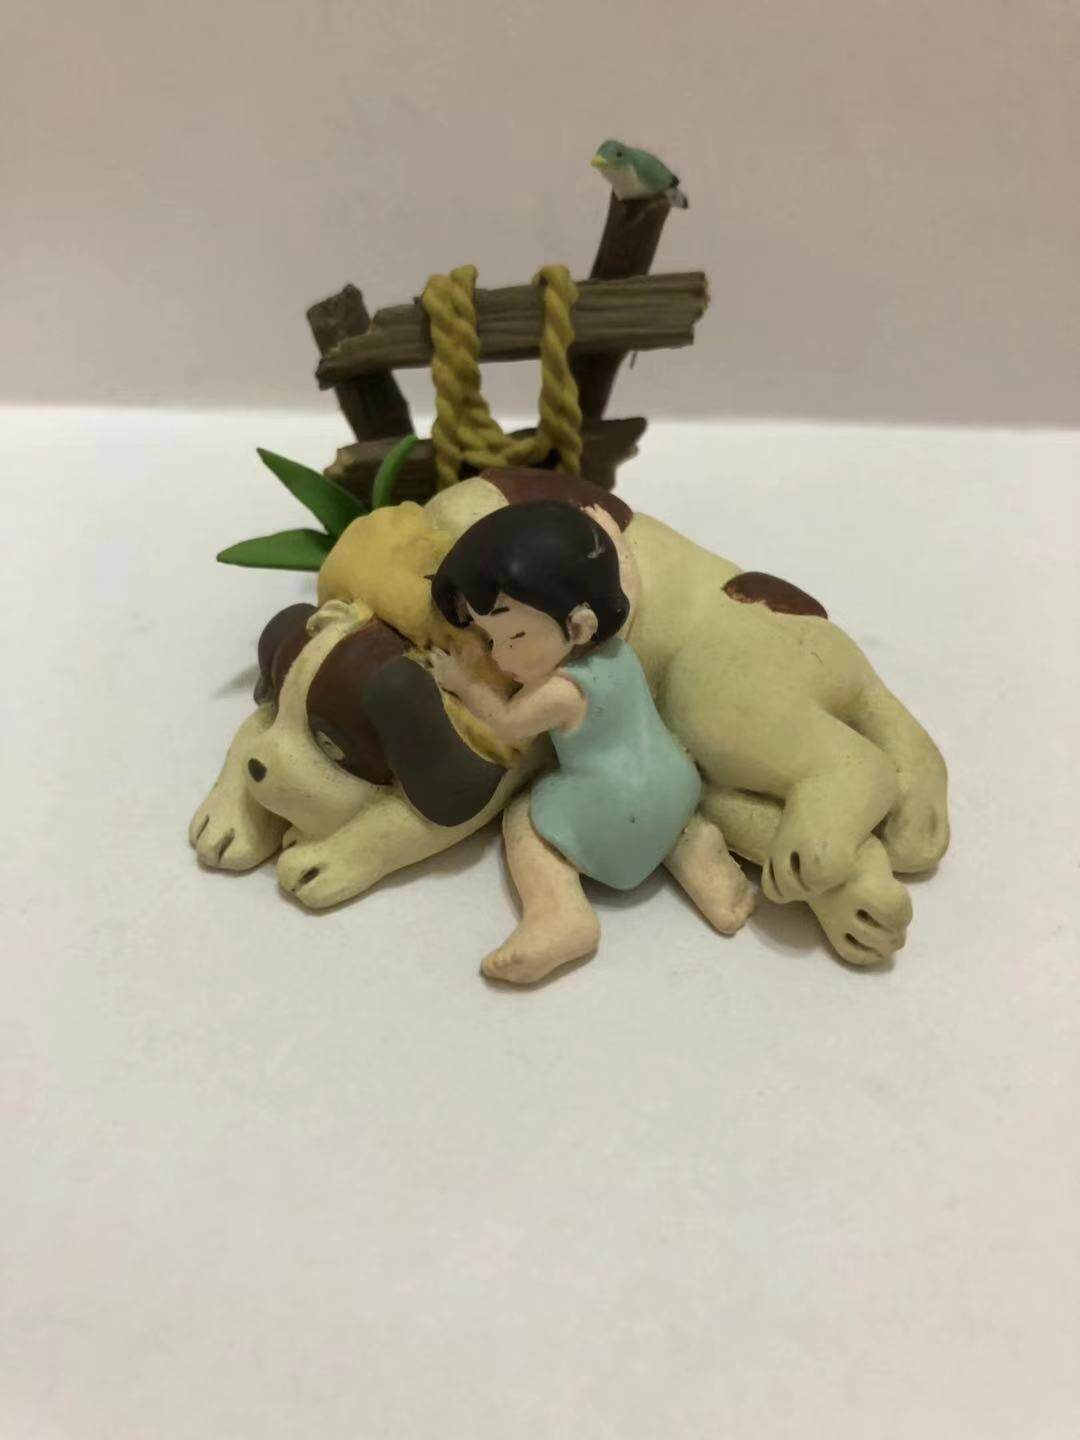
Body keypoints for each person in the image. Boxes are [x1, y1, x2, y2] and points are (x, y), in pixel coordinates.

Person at [429, 500, 756, 984]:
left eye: (513, 637)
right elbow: (628, 587)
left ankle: (559, 915)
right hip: (675, 783)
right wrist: (607, 535)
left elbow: (507, 722)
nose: (498, 656)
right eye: (488, 638)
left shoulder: (560, 692)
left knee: (524, 821)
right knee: (669, 822)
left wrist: (462, 682)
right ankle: (696, 854)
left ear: (578, 626)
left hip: (614, 805)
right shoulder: (615, 644)